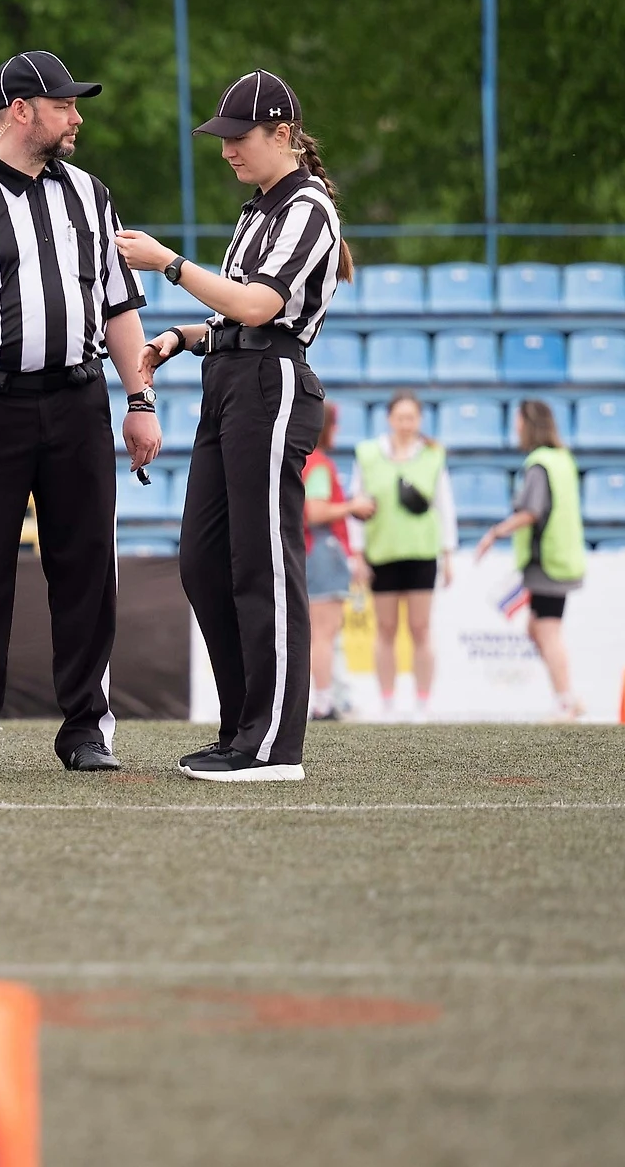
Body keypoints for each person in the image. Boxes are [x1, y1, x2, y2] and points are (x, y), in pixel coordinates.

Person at [0, 50, 164, 774]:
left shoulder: (92, 195)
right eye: (65, 104)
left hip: (79, 400)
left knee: (84, 569)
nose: (77, 117)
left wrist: (139, 400)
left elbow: (119, 306)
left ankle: (85, 729)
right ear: (21, 110)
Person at [122, 69, 349, 782]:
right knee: (202, 559)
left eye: (238, 137)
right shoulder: (259, 208)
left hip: (271, 386)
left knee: (264, 565)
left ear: (282, 134)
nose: (227, 151)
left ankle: (275, 744)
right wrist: (184, 337)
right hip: (231, 381)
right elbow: (237, 318)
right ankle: (240, 727)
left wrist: (169, 264)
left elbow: (261, 310)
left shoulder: (307, 205)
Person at [473, 398, 588, 719]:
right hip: (561, 557)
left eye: (519, 421)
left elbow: (531, 512)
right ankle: (566, 696)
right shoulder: (562, 459)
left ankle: (566, 699)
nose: (516, 427)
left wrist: (495, 533)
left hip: (547, 562)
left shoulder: (539, 463)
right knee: (537, 629)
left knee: (547, 631)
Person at [354, 388, 456, 720]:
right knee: (385, 629)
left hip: (421, 553)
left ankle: (423, 702)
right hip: (381, 552)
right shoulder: (368, 454)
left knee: (420, 628)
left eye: (411, 417)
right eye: (400, 417)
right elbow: (359, 503)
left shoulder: (432, 455)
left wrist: (448, 553)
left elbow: (445, 505)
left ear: (419, 420)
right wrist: (357, 554)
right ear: (389, 419)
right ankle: (387, 701)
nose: (406, 423)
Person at [302, 400, 376, 721]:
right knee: (323, 633)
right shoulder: (319, 464)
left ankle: (324, 699)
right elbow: (314, 511)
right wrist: (352, 506)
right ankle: (323, 702)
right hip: (321, 551)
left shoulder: (301, 461)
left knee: (313, 634)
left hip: (306, 552)